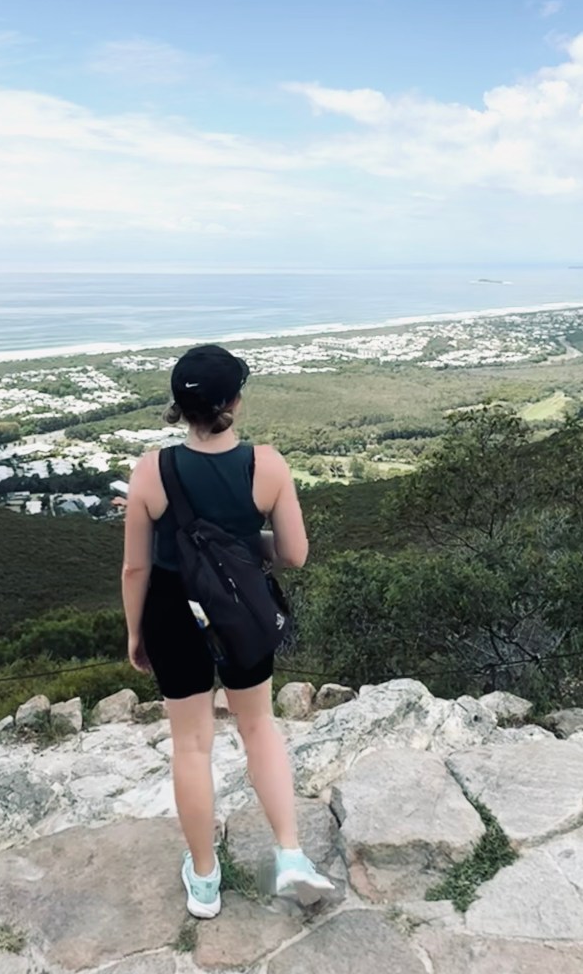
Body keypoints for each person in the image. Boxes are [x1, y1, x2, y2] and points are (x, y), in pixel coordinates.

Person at [120, 343, 334, 919]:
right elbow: (293, 554)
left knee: (191, 744)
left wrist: (136, 632)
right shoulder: (267, 465)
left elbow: (135, 567)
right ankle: (290, 855)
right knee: (259, 726)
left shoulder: (149, 471)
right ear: (233, 402)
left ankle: (206, 880)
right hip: (239, 608)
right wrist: (244, 549)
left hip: (172, 610)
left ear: (178, 406)